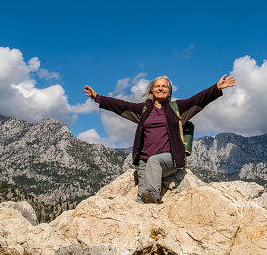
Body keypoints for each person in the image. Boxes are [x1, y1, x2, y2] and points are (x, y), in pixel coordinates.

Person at [84, 74, 235, 204]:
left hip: (170, 159)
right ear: (152, 90)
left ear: (169, 91)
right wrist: (97, 97)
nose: (160, 88)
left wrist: (216, 87)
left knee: (154, 162)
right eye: (157, 86)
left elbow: (198, 100)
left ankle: (155, 195)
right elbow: (120, 105)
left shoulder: (177, 108)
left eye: (164, 86)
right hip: (145, 160)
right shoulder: (143, 110)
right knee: (141, 199)